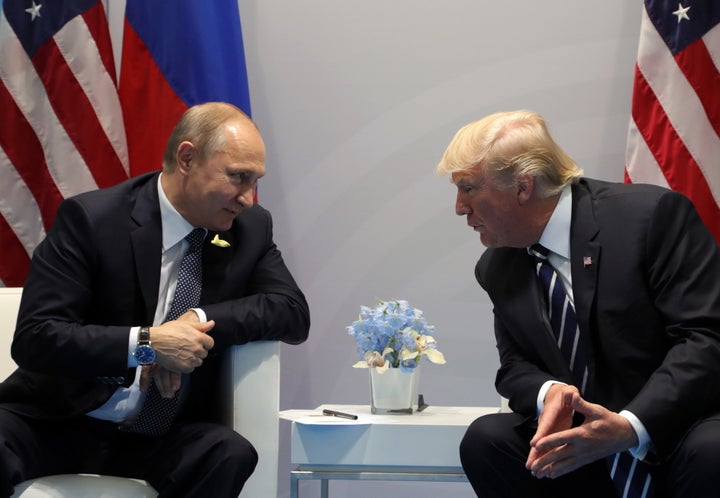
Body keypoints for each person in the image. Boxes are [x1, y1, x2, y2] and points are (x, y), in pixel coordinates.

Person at [0, 102, 310, 497]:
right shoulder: (94, 220)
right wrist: (149, 345)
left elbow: (292, 312)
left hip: (157, 434)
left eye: (255, 181)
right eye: (238, 178)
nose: (248, 197)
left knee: (228, 452)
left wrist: (194, 321)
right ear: (187, 158)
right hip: (57, 420)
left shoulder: (248, 228)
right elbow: (37, 337)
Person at [436, 110, 720, 498]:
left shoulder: (650, 218)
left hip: (672, 431)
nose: (459, 207)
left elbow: (705, 337)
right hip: (582, 449)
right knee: (488, 440)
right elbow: (515, 366)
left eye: (468, 188)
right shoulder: (499, 266)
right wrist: (550, 391)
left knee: (714, 448)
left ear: (523, 187)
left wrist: (630, 426)